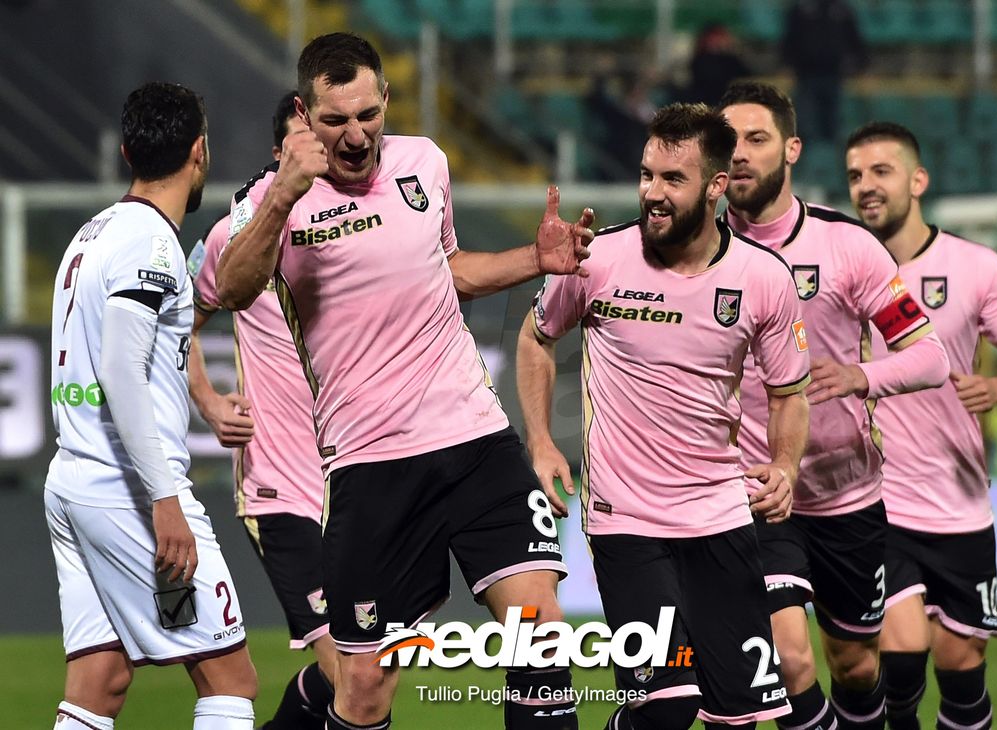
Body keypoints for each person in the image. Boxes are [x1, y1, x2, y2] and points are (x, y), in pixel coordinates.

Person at [215, 32, 594, 730]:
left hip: (476, 440)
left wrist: (534, 259)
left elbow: (447, 272)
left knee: (538, 631)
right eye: (335, 121)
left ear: (386, 98)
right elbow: (233, 288)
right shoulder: (268, 201)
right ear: (305, 114)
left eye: (369, 114)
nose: (356, 136)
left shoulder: (426, 162)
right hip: (371, 464)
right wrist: (282, 197)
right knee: (363, 688)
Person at [518, 102, 807, 729]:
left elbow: (790, 391)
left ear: (716, 186)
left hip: (722, 515)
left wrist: (784, 464)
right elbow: (536, 338)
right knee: (666, 709)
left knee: (738, 718)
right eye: (647, 175)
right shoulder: (597, 259)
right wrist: (540, 441)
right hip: (628, 521)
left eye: (672, 180)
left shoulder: (764, 279)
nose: (652, 192)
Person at [717, 81, 950, 730]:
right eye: (727, 142)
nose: (739, 154)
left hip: (848, 494)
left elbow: (931, 357)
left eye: (756, 139)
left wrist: (860, 376)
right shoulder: (697, 253)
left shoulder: (845, 245)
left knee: (853, 666)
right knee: (789, 660)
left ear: (791, 148)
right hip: (755, 491)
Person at [45, 82, 257, 729]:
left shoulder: (94, 233)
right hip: (129, 491)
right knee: (231, 681)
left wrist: (200, 397)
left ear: (126, 151)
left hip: (73, 482)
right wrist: (164, 501)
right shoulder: (153, 245)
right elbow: (120, 371)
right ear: (199, 152)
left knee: (99, 681)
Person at [845, 121, 997, 730]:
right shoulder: (841, 268)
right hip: (876, 501)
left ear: (918, 180)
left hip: (959, 504)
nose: (866, 187)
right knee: (901, 653)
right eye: (856, 175)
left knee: (961, 669)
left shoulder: (976, 266)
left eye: (881, 172)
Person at [187, 90, 333, 730]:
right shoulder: (232, 235)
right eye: (307, 142)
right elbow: (179, 322)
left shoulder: (364, 229)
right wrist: (209, 401)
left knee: (366, 669)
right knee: (348, 668)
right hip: (282, 490)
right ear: (281, 154)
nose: (323, 154)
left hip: (360, 482)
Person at [780, 0, 866, 143]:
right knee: (805, 125)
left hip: (834, 75)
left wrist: (860, 62)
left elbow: (854, 38)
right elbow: (790, 38)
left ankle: (832, 160)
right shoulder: (801, 9)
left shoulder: (842, 10)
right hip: (806, 75)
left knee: (833, 125)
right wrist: (789, 62)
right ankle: (806, 160)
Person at [680, 24, 752, 106]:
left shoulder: (731, 59)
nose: (718, 41)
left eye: (720, 37)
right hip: (706, 101)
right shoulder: (701, 60)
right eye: (714, 38)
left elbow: (747, 75)